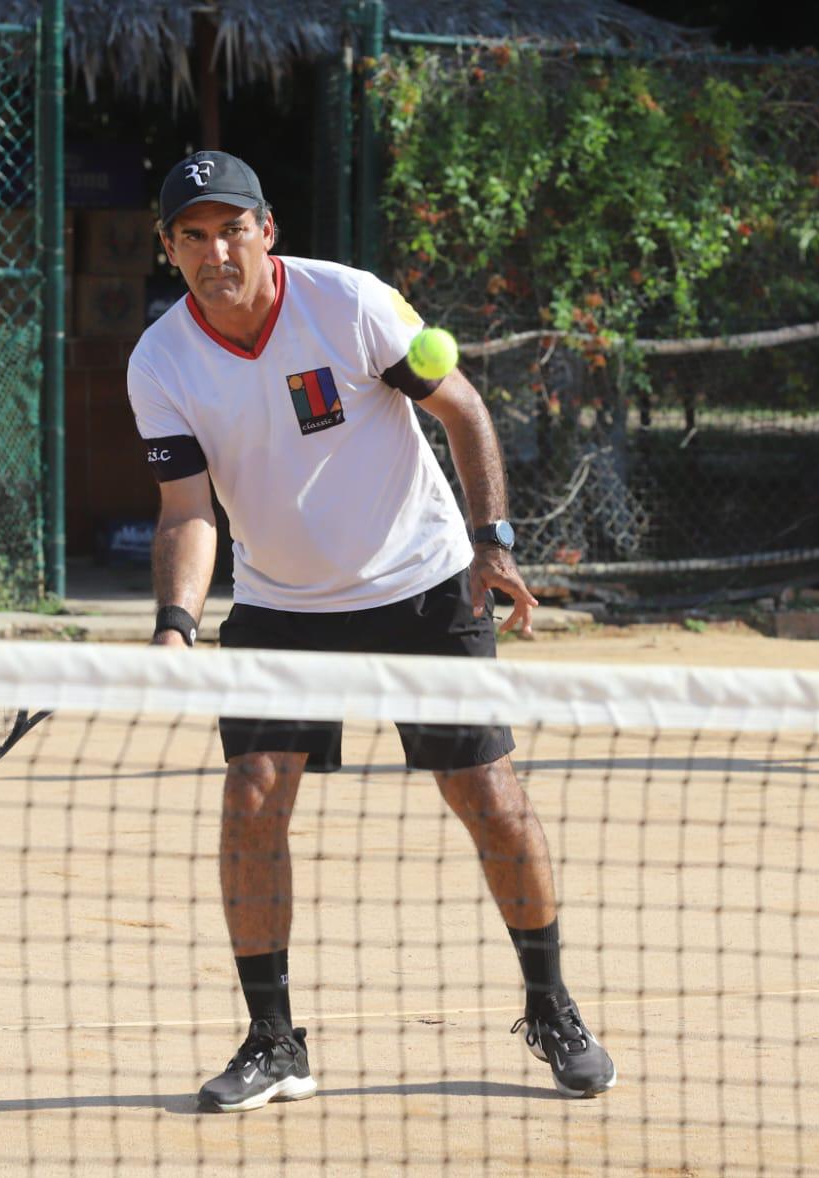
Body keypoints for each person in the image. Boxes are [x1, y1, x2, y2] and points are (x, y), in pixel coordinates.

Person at [126, 150, 617, 1111]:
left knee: (488, 796)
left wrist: (493, 544)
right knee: (253, 799)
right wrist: (176, 628)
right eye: (194, 234)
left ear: (267, 231)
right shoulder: (161, 360)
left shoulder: (347, 304)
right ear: (169, 250)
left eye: (233, 228)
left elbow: (463, 411)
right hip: (280, 605)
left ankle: (551, 1005)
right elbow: (189, 511)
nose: (216, 249)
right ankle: (275, 1042)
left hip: (422, 586)